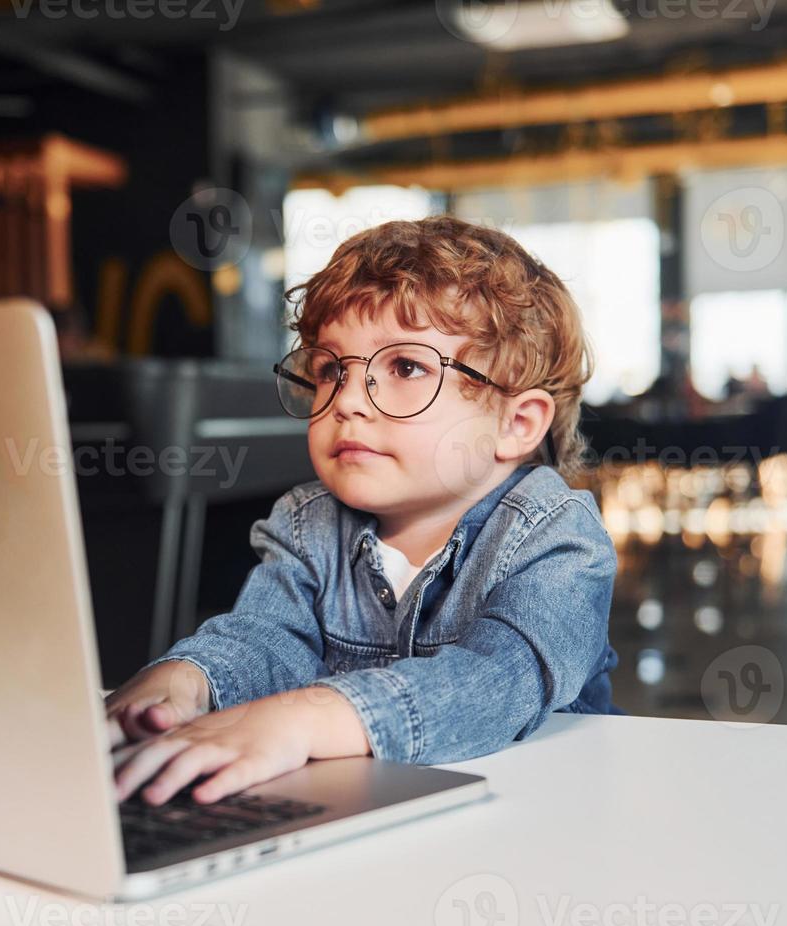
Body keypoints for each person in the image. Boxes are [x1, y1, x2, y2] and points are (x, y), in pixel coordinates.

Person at [106, 216, 620, 807]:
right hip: (375, 808)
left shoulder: (556, 536)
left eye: (406, 367)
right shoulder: (307, 523)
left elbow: (499, 677)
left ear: (516, 423)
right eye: (331, 369)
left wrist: (304, 719)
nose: (346, 401)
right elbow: (266, 639)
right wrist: (184, 682)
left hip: (547, 812)